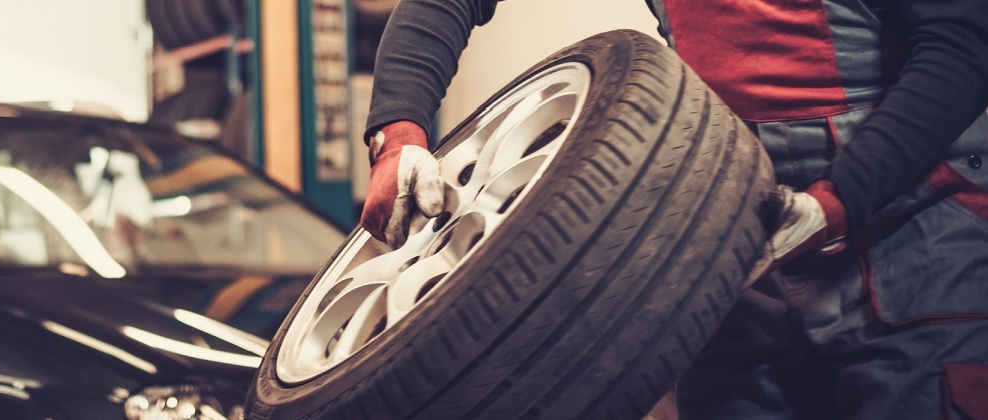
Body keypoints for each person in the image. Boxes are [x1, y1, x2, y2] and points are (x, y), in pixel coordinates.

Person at [359, 0, 988, 418]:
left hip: (911, 232)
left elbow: (963, 44)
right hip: (735, 237)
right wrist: (400, 131)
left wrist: (842, 197)